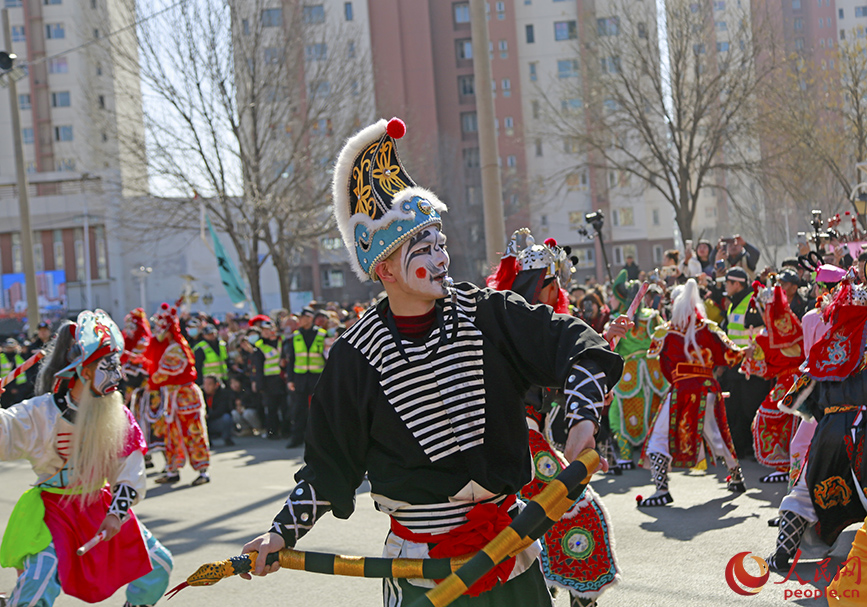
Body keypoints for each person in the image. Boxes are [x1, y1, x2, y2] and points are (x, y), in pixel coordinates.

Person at [240, 117, 623, 606]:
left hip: (511, 557)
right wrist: (280, 534)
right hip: (421, 569)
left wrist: (583, 417)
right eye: (424, 249)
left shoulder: (490, 313)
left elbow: (578, 344)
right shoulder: (353, 357)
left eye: (441, 244)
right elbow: (327, 470)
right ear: (384, 269)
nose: (441, 258)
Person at [0, 309, 173, 607]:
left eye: (117, 365)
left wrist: (117, 514)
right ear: (84, 370)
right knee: (40, 580)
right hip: (54, 510)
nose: (118, 376)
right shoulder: (39, 413)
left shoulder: (118, 414)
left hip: (100, 504)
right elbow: (5, 434)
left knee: (158, 564)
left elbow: (130, 472)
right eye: (109, 366)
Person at [487, 229, 621, 607]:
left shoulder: (536, 325)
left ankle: (553, 588)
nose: (555, 292)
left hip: (532, 438)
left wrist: (601, 342)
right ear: (534, 284)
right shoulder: (507, 326)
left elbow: (564, 372)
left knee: (552, 515)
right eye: (550, 283)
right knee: (576, 510)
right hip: (514, 439)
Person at [769, 275, 867, 570]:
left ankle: (783, 553)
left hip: (829, 431)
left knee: (803, 492)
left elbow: (792, 401)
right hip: (863, 426)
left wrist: (826, 414)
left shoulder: (823, 349)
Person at [638, 279, 749, 507]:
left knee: (659, 436)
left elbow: (663, 365)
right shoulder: (709, 327)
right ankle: (736, 476)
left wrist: (679, 380)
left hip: (681, 390)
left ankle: (661, 488)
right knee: (717, 433)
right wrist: (749, 349)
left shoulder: (665, 331)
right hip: (707, 389)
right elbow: (731, 355)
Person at [739, 282, 804, 484]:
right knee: (793, 423)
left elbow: (761, 369)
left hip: (787, 382)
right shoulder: (797, 328)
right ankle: (792, 464)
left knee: (766, 418)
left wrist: (747, 355)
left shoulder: (764, 338)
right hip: (804, 381)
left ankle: (784, 465)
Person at [145, 303, 210, 486]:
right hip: (173, 398)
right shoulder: (169, 347)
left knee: (193, 433)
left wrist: (148, 380)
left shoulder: (175, 348)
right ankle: (173, 470)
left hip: (184, 397)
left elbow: (162, 374)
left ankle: (203, 471)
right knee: (172, 436)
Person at [608, 278, 667, 470]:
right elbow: (663, 341)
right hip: (653, 372)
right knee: (652, 413)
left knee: (620, 414)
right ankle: (652, 454)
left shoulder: (618, 319)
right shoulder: (653, 316)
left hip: (630, 373)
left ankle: (626, 457)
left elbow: (612, 348)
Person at [720, 266, 772, 459]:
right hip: (735, 367)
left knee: (752, 408)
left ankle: (756, 449)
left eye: (727, 282)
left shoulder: (752, 302)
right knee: (736, 410)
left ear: (737, 284)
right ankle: (741, 449)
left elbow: (764, 333)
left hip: (752, 368)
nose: (725, 286)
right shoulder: (734, 303)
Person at [284, 309, 326, 448]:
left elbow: (327, 358)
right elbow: (292, 359)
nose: (299, 321)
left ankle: (320, 439)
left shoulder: (322, 334)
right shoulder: (295, 336)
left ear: (309, 318)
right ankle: (297, 437)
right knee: (298, 409)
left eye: (302, 318)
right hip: (300, 378)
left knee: (319, 409)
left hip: (317, 377)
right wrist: (290, 379)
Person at [250, 319, 288, 441]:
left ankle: (286, 431)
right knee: (271, 409)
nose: (268, 332)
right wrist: (259, 385)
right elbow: (258, 368)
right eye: (264, 330)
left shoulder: (282, 341)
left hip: (283, 380)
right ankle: (273, 432)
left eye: (269, 329)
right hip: (269, 382)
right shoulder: (259, 346)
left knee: (285, 407)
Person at [202, 375, 235, 447]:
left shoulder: (223, 394)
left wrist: (208, 416)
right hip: (205, 421)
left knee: (226, 418)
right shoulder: (201, 394)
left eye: (209, 384)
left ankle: (227, 438)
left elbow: (222, 410)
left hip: (216, 419)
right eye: (205, 384)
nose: (206, 386)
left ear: (216, 385)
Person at [0, 339, 29, 408]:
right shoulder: (1, 358)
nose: (10, 349)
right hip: (5, 389)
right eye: (8, 347)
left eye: (12, 347)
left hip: (20, 388)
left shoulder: (20, 357)